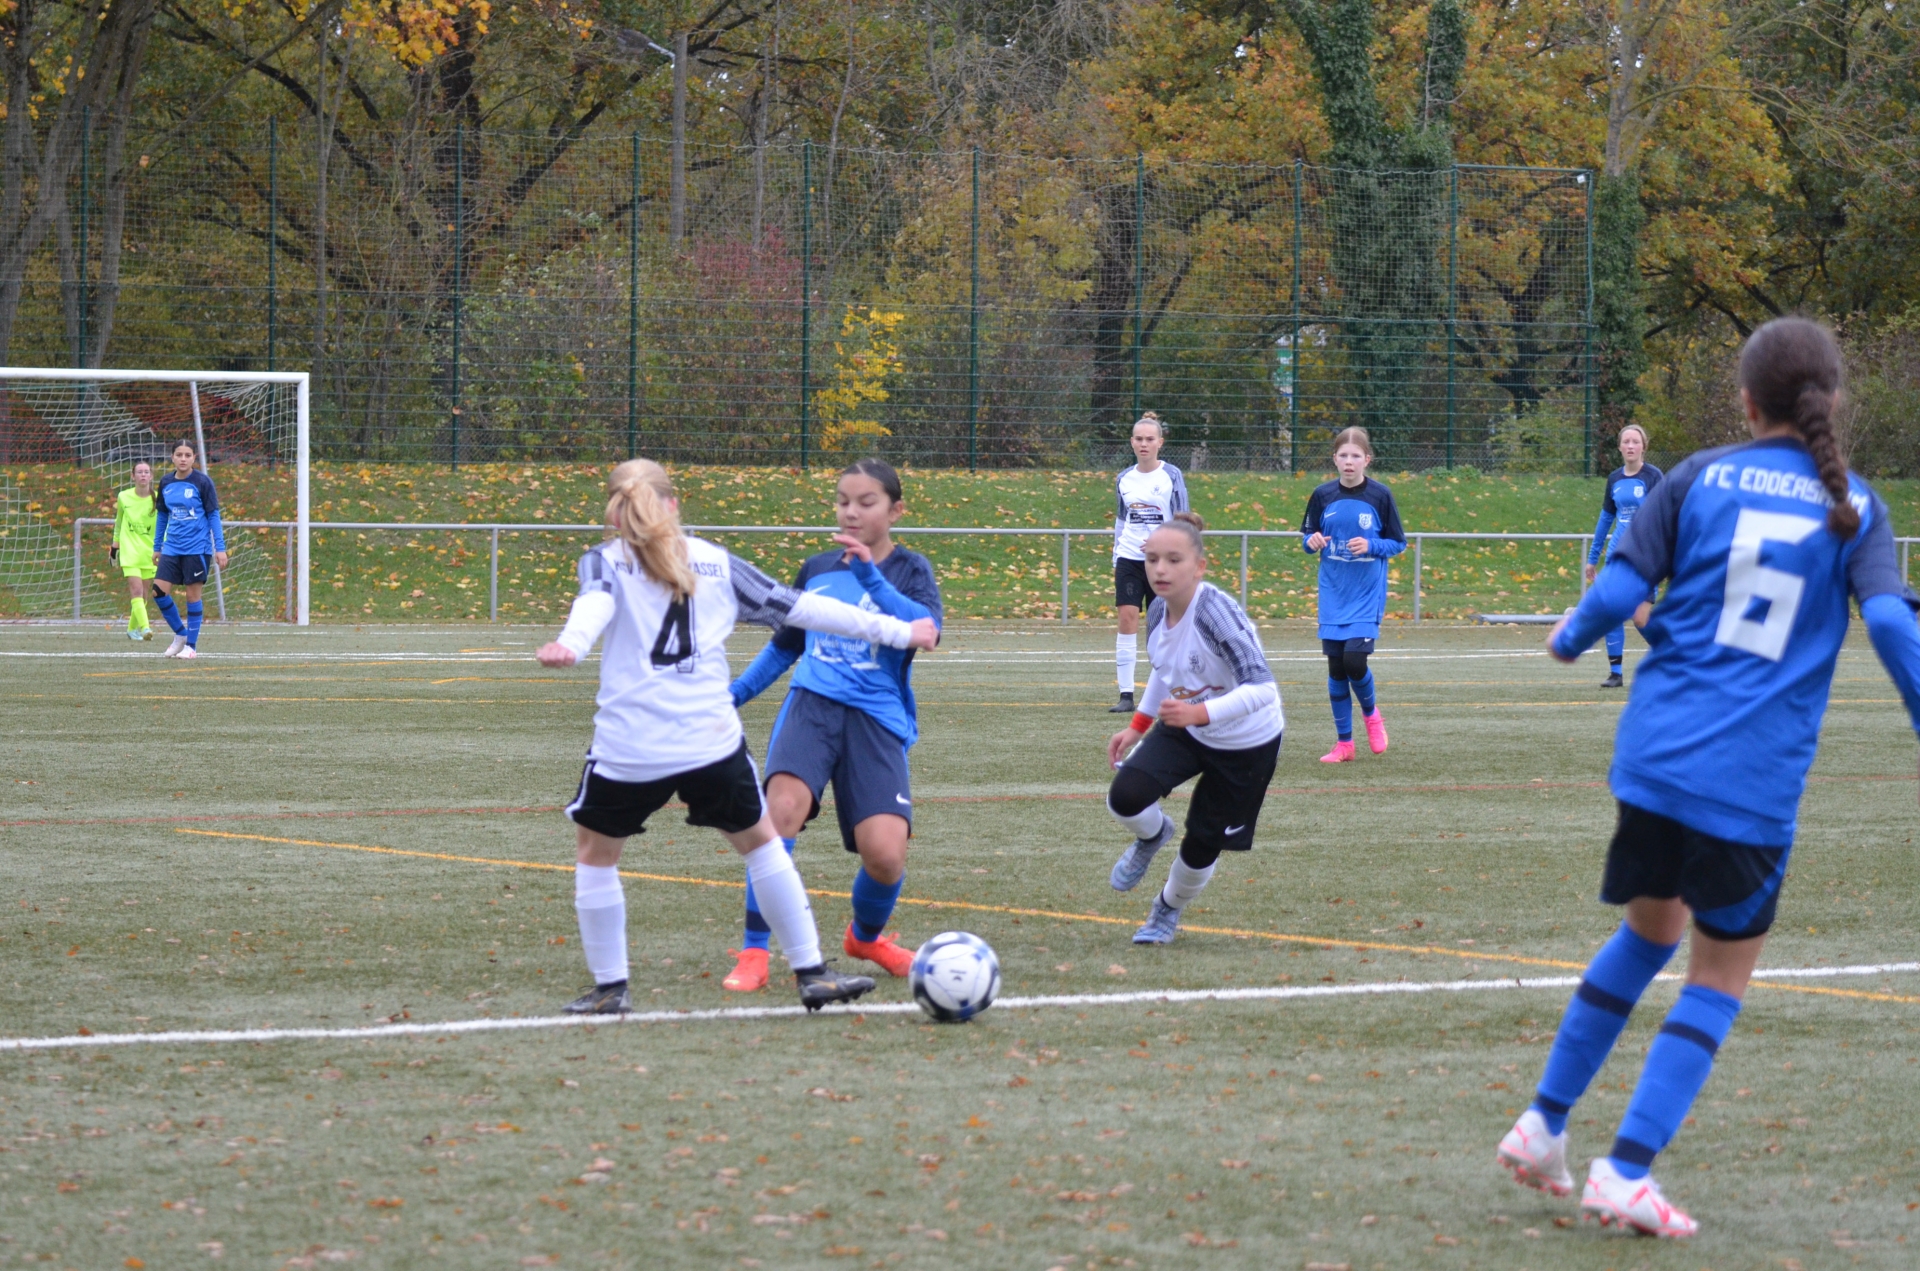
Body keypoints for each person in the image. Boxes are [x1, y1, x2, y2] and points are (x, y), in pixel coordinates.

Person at [1495, 317, 1920, 1237]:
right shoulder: (1855, 503)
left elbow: (1619, 591)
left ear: (1746, 401)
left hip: (1653, 757)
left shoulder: (1693, 475)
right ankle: (1626, 1170)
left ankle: (1543, 1122)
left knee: (1649, 932)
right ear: (1833, 400)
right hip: (1746, 780)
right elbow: (1891, 624)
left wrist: (1569, 638)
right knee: (1718, 975)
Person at [535, 459, 938, 1015]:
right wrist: (898, 630)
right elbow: (803, 609)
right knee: (764, 847)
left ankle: (611, 988)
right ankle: (811, 971)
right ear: (673, 505)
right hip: (709, 738)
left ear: (616, 512)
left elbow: (595, 603)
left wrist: (572, 644)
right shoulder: (716, 562)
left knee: (597, 857)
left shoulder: (604, 560)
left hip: (632, 742)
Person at [722, 459, 943, 991]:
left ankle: (865, 938)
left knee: (885, 856)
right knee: (779, 815)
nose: (851, 512)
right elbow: (785, 647)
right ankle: (754, 951)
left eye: (866, 502)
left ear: (896, 510)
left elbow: (925, 630)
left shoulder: (912, 569)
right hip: (811, 707)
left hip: (876, 719)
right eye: (843, 501)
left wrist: (869, 575)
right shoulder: (817, 568)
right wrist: (731, 697)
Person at [1103, 512, 1284, 944]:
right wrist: (1138, 726)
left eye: (1173, 560)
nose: (1159, 570)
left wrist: (1199, 715)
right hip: (1189, 723)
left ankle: (1166, 910)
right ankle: (1153, 836)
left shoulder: (1216, 614)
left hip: (1247, 742)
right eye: (1151, 559)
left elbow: (1263, 688)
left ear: (1199, 566)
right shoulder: (1157, 609)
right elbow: (1166, 670)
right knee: (1125, 798)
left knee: (1203, 842)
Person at [1298, 427, 1404, 762]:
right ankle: (1344, 744)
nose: (1349, 461)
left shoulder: (1380, 495)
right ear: (1334, 459)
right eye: (1343, 455)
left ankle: (1372, 715)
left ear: (1366, 460)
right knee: (1336, 669)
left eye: (1355, 456)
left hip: (1365, 596)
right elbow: (1307, 537)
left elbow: (1397, 543)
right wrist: (1312, 541)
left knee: (1354, 661)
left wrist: (1371, 545)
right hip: (1333, 593)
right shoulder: (1322, 494)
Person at [1111, 412, 1189, 713]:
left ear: (1160, 443)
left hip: (1161, 563)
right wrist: (1116, 554)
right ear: (1132, 442)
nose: (1144, 444)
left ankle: (1166, 693)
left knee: (1162, 627)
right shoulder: (1124, 478)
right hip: (1130, 558)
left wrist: (1163, 545)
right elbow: (1122, 519)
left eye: (1149, 439)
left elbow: (1183, 520)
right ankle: (1126, 695)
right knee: (1127, 617)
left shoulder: (1171, 475)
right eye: (1139, 439)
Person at [1587, 424, 1663, 687]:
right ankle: (1615, 673)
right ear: (1619, 446)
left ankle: (1672, 656)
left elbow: (1666, 516)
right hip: (1617, 556)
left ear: (1644, 447)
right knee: (1611, 611)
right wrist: (1592, 558)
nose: (1631, 446)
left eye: (1635, 442)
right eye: (1626, 441)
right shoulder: (1614, 479)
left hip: (1645, 557)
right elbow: (1605, 520)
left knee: (1640, 618)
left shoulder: (1654, 476)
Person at [151, 440, 227, 660]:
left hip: (197, 548)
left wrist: (220, 548)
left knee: (192, 596)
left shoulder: (203, 482)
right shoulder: (166, 482)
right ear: (172, 457)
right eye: (179, 454)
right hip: (172, 547)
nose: (183, 459)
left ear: (194, 457)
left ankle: (191, 647)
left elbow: (213, 515)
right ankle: (181, 634)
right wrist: (157, 546)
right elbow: (162, 515)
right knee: (158, 592)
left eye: (187, 455)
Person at [109, 461, 158, 642]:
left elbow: (164, 525)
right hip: (129, 550)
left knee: (144, 594)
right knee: (136, 590)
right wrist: (115, 546)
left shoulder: (158, 499)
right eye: (139, 472)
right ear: (133, 476)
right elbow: (119, 522)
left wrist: (162, 547)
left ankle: (131, 629)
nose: (143, 475)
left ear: (151, 476)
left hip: (149, 552)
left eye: (146, 472)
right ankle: (145, 628)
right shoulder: (124, 497)